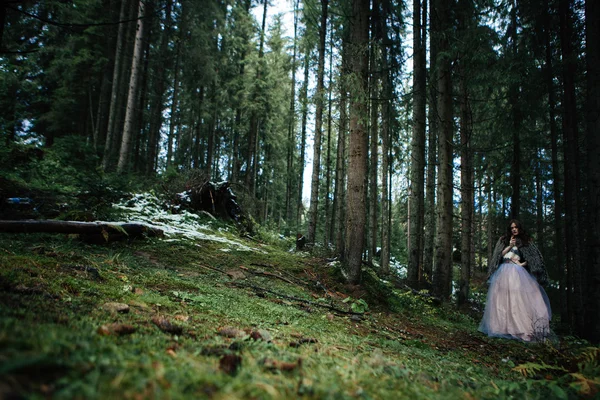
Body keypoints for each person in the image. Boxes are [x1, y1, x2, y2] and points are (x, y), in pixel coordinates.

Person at [479, 219, 552, 342]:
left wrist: (522, 264)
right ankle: (502, 328)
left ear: (519, 228)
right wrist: (510, 246)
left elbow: (533, 258)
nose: (514, 229)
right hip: (503, 271)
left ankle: (521, 328)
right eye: (512, 227)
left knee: (518, 299)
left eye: (516, 227)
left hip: (517, 272)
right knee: (501, 299)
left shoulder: (526, 241)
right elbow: (499, 256)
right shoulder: (503, 240)